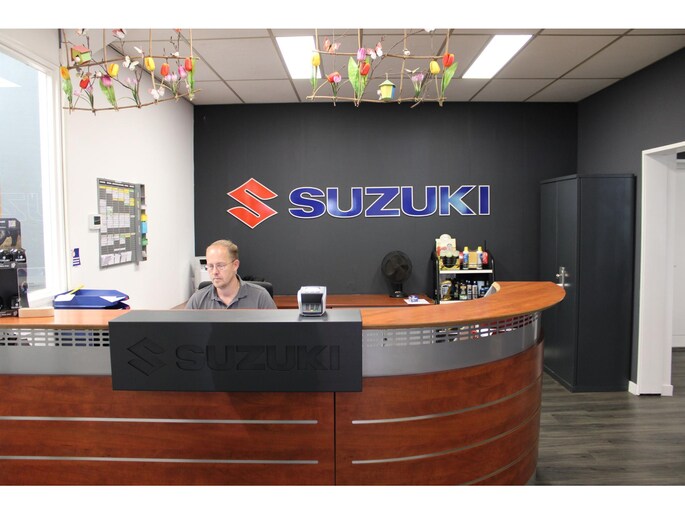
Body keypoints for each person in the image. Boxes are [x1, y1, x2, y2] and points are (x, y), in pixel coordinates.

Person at [186, 239, 276, 309]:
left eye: (220, 265)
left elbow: (274, 328)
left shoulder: (260, 297)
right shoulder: (197, 300)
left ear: (235, 265)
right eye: (210, 266)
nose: (214, 272)